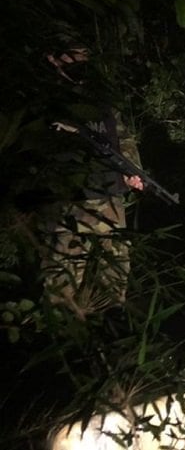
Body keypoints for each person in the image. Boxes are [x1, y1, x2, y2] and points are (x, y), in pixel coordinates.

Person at [39, 45, 145, 316]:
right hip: (70, 198)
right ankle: (64, 335)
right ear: (53, 59)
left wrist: (134, 172)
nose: (80, 61)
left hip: (109, 194)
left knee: (116, 272)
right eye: (72, 55)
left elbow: (122, 137)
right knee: (63, 277)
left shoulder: (100, 98)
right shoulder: (48, 98)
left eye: (84, 56)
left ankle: (109, 328)